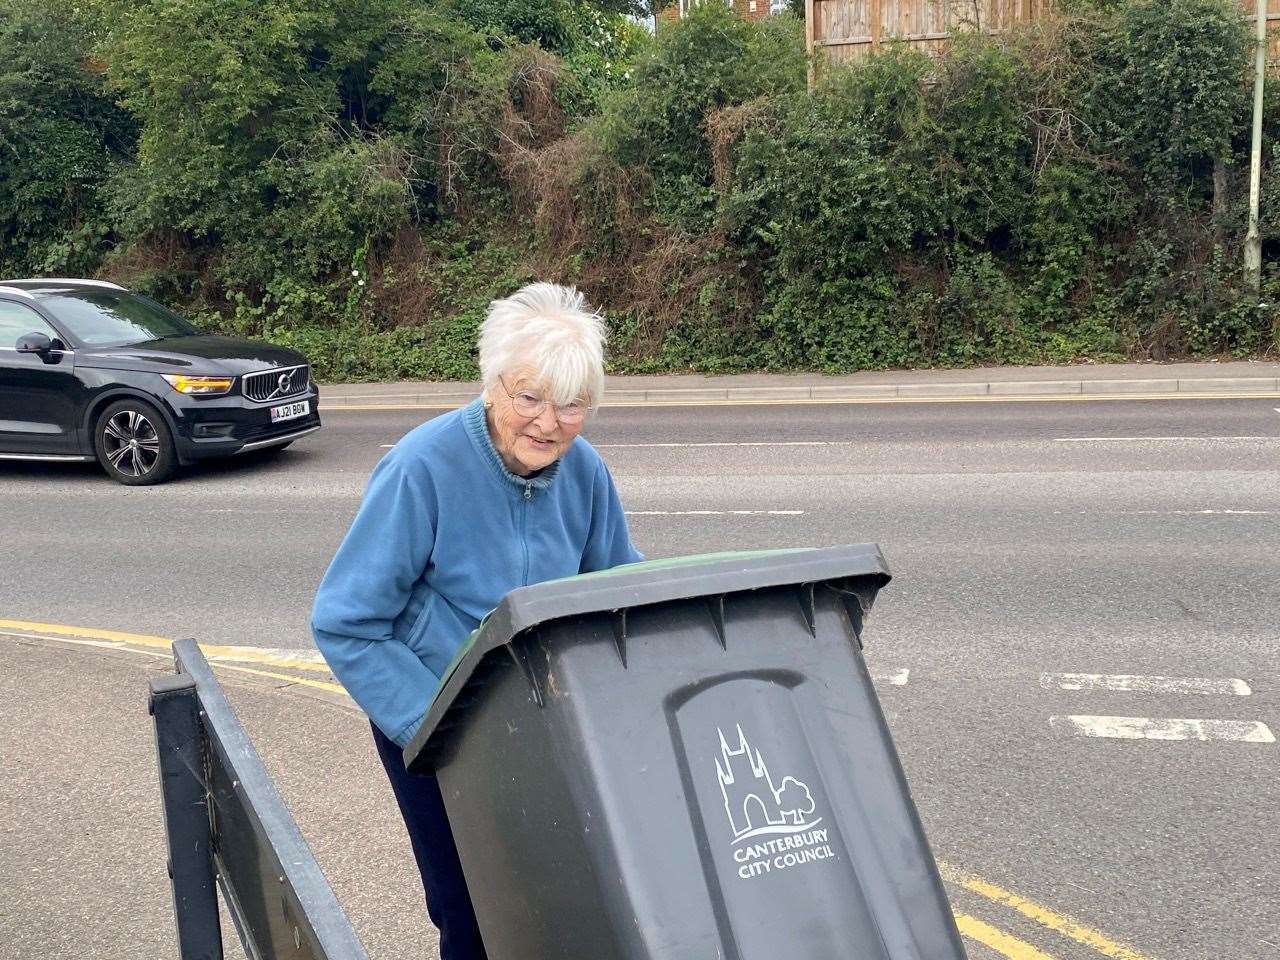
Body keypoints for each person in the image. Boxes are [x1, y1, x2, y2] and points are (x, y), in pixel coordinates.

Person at [310, 282, 642, 960]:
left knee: (553, 896)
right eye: (530, 398)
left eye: (573, 404)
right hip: (435, 726)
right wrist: (440, 725)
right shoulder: (421, 467)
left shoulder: (584, 472)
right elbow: (346, 622)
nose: (550, 423)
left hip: (542, 726)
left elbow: (616, 587)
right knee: (471, 912)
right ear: (492, 385)